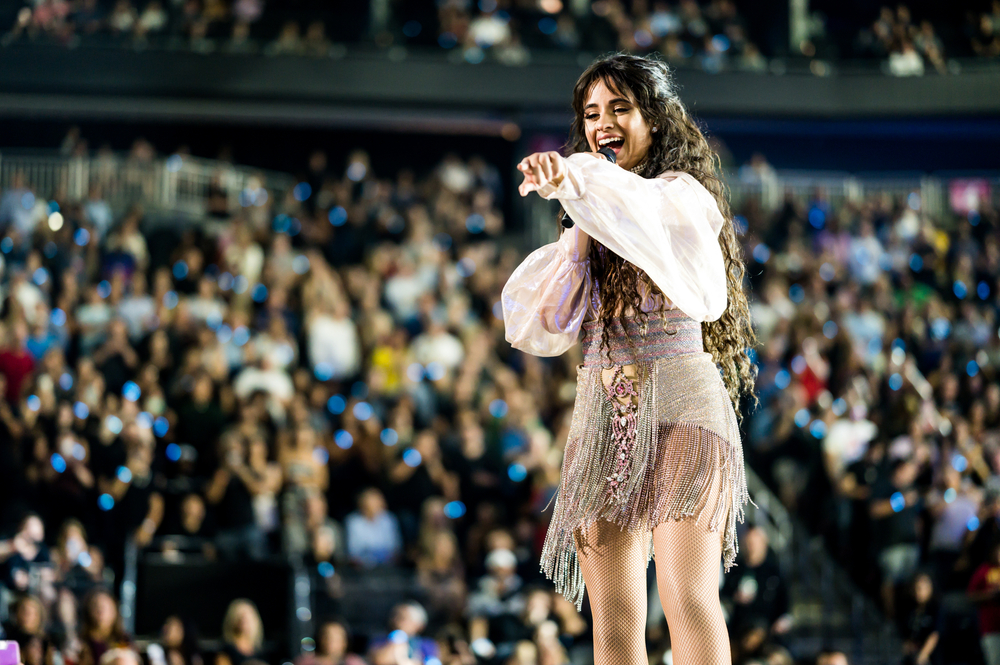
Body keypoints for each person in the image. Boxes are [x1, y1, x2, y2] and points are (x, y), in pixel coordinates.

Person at [502, 54, 756, 665]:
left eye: (620, 107)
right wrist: (578, 221)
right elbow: (542, 326)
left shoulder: (680, 198)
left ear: (657, 119)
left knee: (685, 597)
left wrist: (575, 179)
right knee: (612, 623)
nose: (603, 123)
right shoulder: (590, 211)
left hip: (681, 405)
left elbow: (637, 212)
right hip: (605, 415)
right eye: (592, 113)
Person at [215, 600, 264, 665]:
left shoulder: (258, 650)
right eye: (241, 617)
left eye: (247, 618)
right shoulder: (226, 650)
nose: (244, 622)